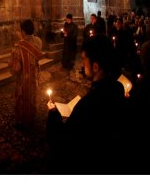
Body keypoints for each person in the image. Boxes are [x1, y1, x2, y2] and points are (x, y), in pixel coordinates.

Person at [46, 35, 127, 174]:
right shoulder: (118, 87)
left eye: (84, 59)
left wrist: (53, 114)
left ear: (95, 67)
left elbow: (65, 142)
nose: (82, 64)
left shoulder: (88, 105)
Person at [8, 19, 43, 130]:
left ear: (23, 31)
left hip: (24, 79)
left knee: (22, 99)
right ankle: (31, 117)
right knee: (32, 96)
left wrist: (10, 64)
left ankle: (22, 122)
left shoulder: (18, 47)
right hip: (34, 76)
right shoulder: (38, 41)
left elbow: (16, 69)